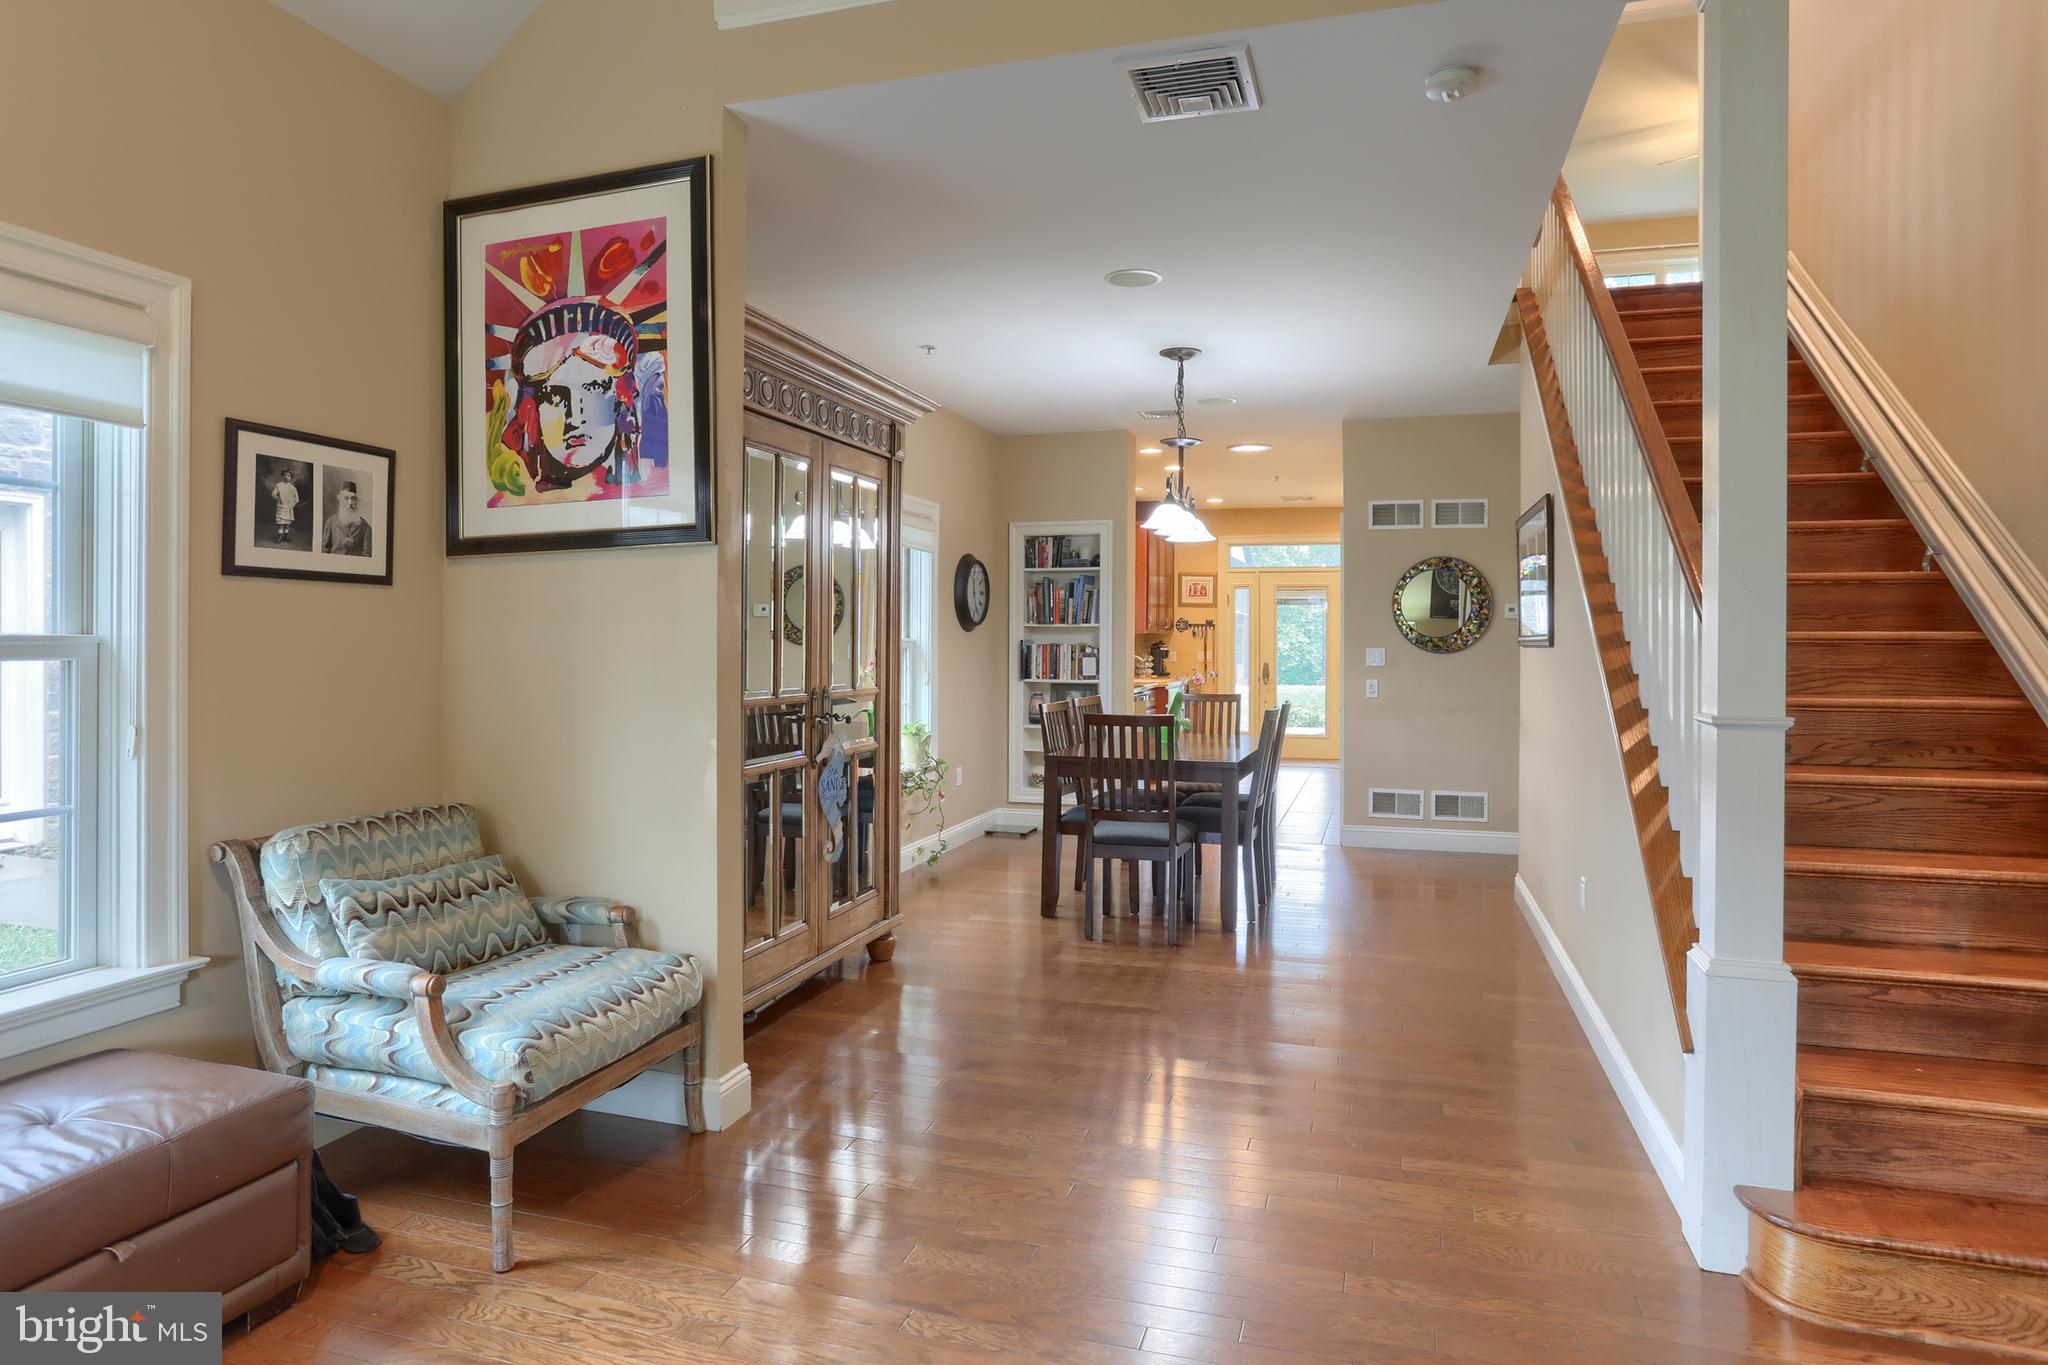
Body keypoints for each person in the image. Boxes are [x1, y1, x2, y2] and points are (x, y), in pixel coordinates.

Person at [322, 480, 372, 557]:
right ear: (340, 500)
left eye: (353, 498)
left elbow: (367, 556)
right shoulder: (330, 523)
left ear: (357, 501)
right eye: (346, 498)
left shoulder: (365, 527)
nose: (350, 503)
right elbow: (324, 553)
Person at [270, 467, 300, 543]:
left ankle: (285, 536)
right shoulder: (279, 485)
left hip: (288, 508)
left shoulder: (293, 488)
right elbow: (273, 494)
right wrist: (278, 499)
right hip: (281, 507)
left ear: (291, 477)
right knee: (281, 523)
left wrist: (291, 505)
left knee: (287, 523)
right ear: (282, 476)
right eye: (285, 475)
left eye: (288, 475)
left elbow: (296, 499)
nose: (286, 477)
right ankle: (280, 536)